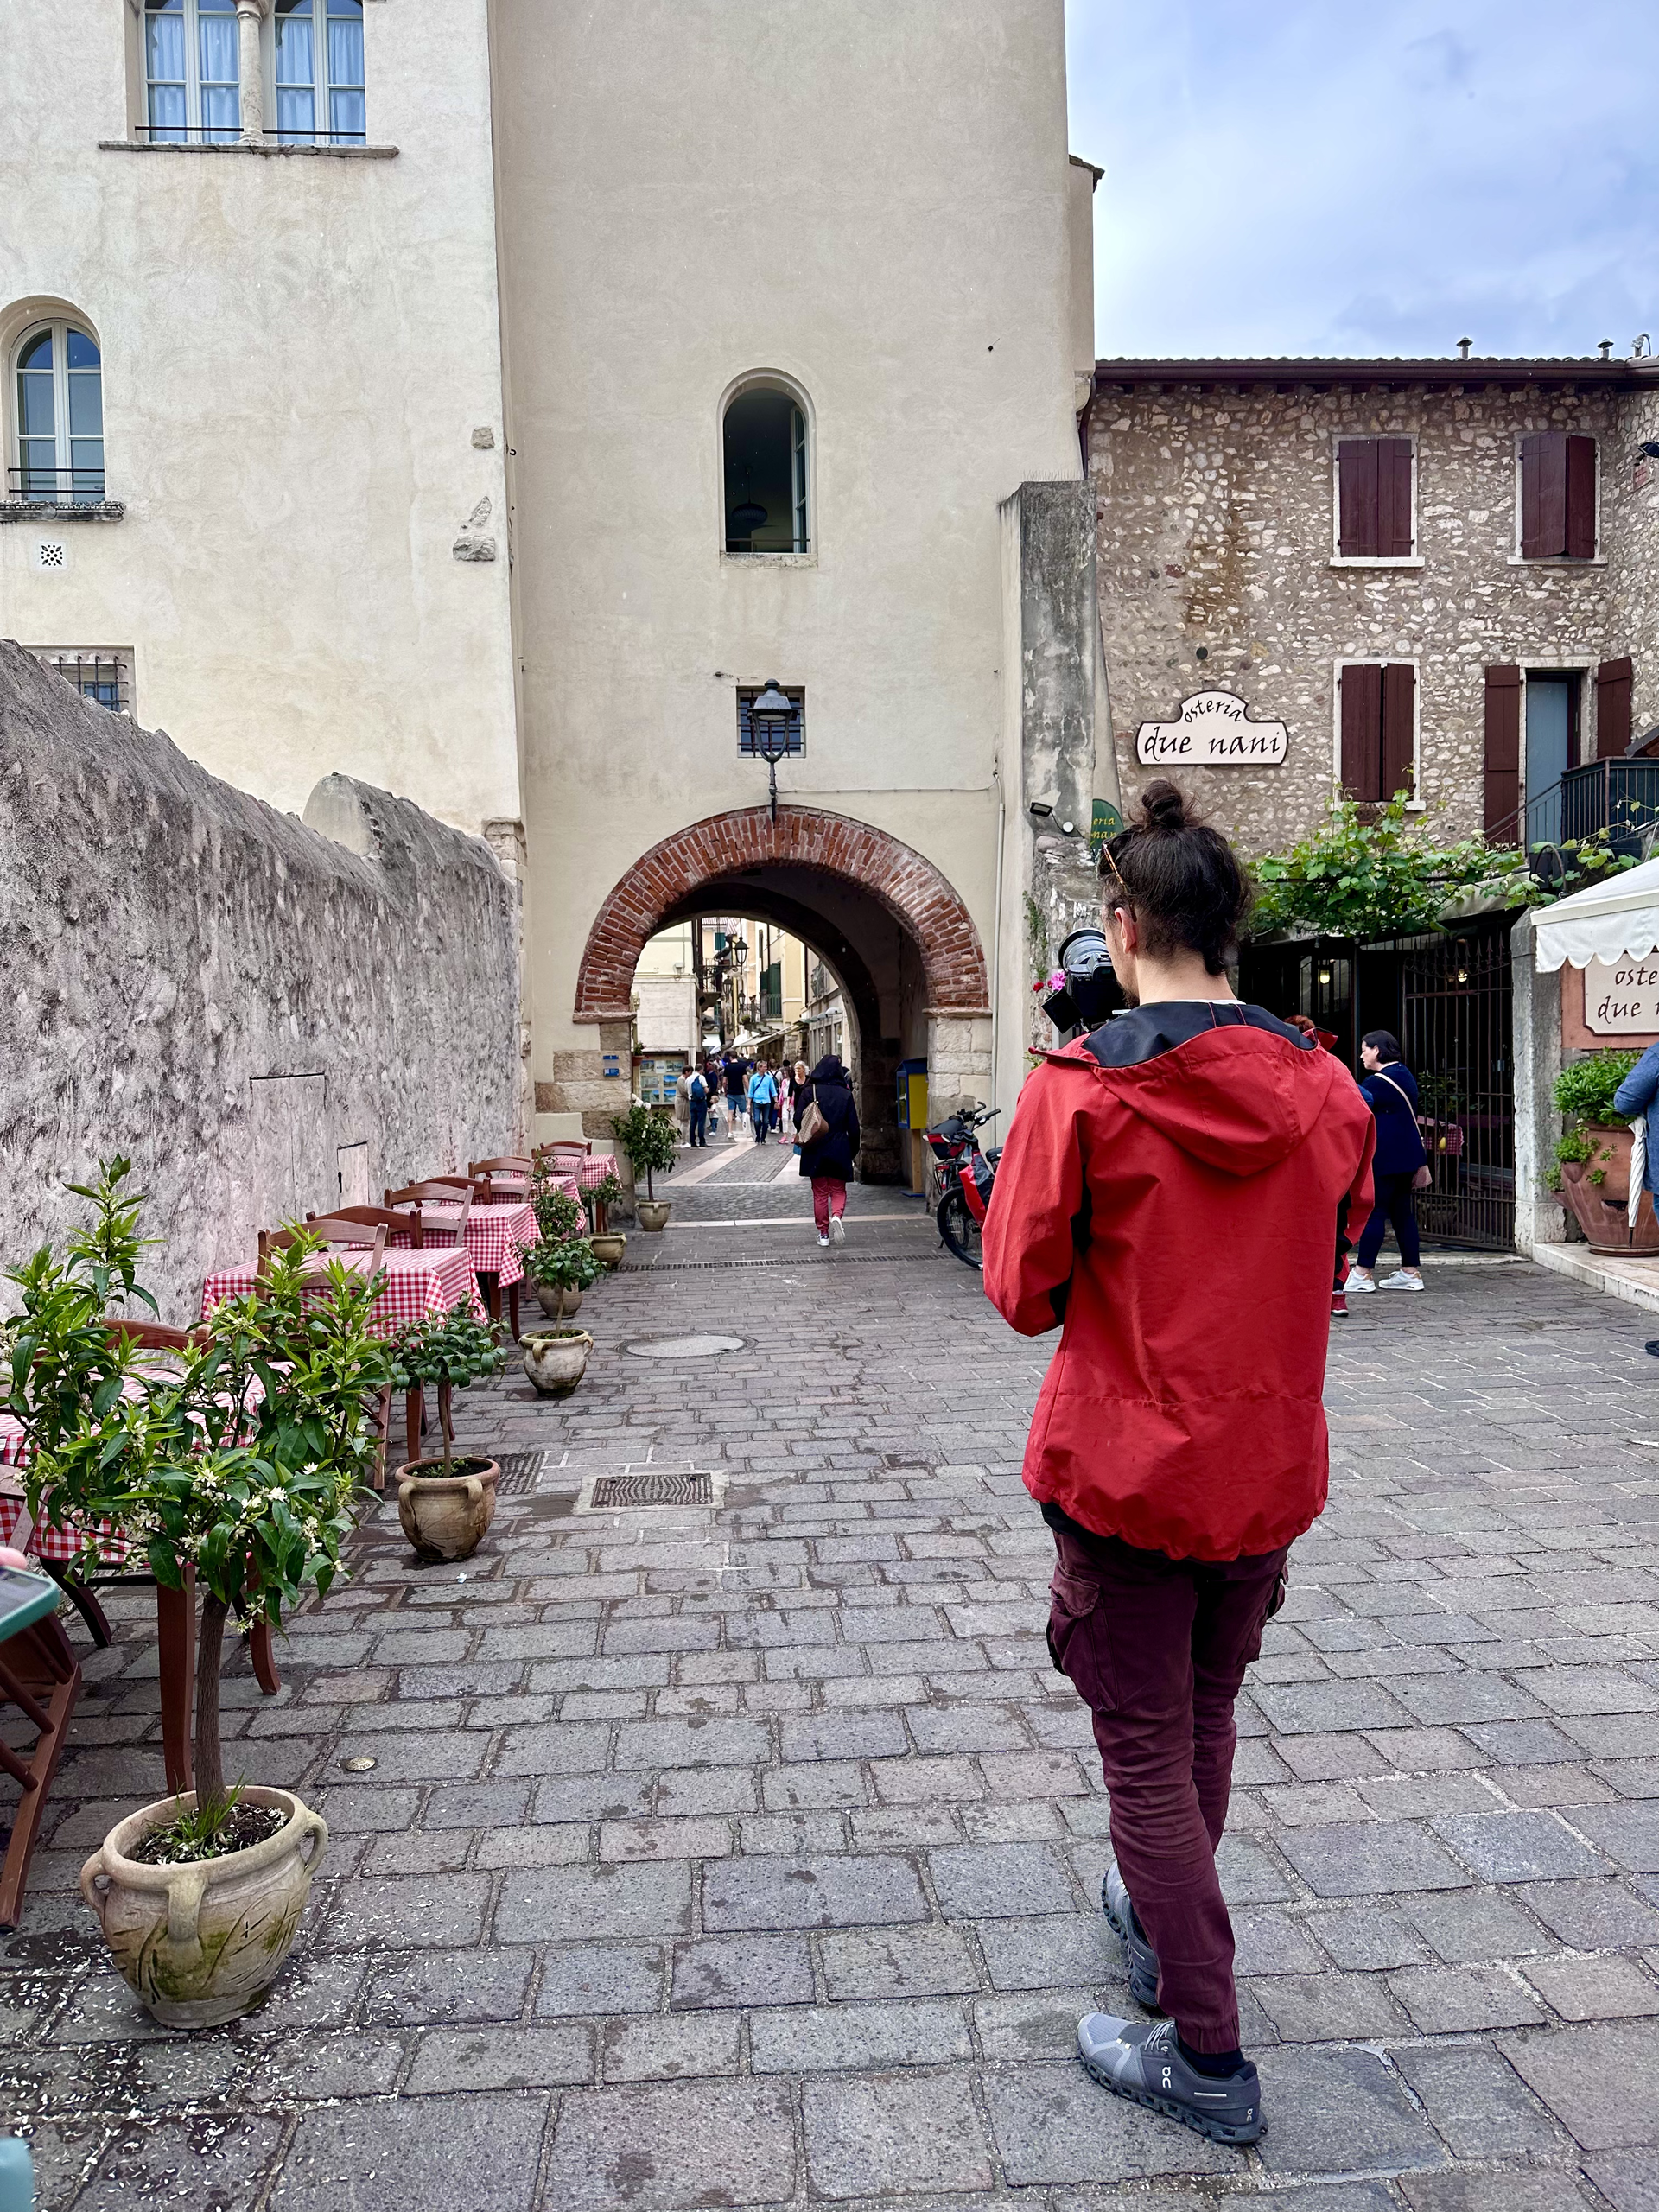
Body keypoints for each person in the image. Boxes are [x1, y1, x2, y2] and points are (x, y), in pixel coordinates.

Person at [982, 779, 1373, 2147]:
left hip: (1130, 1472)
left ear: (1120, 926)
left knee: (1144, 1752)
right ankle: (1161, 1929)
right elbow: (1336, 1251)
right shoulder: (1328, 1090)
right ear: (1228, 929)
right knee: (1201, 1721)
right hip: (1262, 1471)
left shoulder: (1082, 1092)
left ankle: (1206, 2053)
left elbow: (1023, 1292)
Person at [1347, 1030, 1427, 1293]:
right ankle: (1410, 1272)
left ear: (1377, 1051)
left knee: (1375, 1211)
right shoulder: (1405, 1074)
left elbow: (1353, 1106)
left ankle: (1362, 1273)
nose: (1362, 1055)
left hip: (1385, 1157)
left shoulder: (1377, 1083)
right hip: (1409, 1157)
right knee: (1402, 1213)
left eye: (1365, 1049)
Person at [798, 1053, 860, 1247]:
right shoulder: (845, 1094)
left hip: (815, 1148)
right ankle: (837, 1216)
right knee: (838, 1190)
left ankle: (823, 1234)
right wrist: (853, 1151)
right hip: (840, 1147)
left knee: (820, 1192)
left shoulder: (810, 1091)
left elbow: (797, 1119)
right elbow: (854, 1127)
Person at [747, 1060, 778, 1141]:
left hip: (766, 1102)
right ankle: (758, 1135)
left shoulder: (769, 1078)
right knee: (757, 1120)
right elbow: (750, 1092)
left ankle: (763, 1138)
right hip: (756, 1102)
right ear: (759, 1068)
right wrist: (748, 1104)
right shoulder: (753, 1078)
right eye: (764, 1067)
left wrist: (776, 1101)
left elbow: (773, 1091)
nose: (766, 1068)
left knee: (765, 1122)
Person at [723, 1054, 747, 1137]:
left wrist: (725, 1090)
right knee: (744, 1112)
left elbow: (724, 1081)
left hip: (731, 1092)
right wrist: (748, 1091)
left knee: (730, 1111)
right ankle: (746, 1130)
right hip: (740, 1092)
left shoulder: (727, 1067)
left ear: (730, 1057)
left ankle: (730, 1132)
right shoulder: (742, 1066)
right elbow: (745, 1080)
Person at [687, 1064, 709, 1147]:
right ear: (701, 1070)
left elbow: (687, 1091)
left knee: (693, 1122)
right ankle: (702, 1141)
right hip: (700, 1102)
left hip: (692, 1102)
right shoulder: (701, 1077)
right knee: (701, 1122)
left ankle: (692, 1142)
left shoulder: (688, 1079)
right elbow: (706, 1090)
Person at [673, 1064, 693, 1146]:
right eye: (690, 1072)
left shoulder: (684, 1079)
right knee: (684, 1122)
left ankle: (683, 1140)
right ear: (686, 1072)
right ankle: (683, 1141)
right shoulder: (681, 1080)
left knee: (684, 1122)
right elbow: (684, 1092)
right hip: (682, 1102)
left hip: (683, 1101)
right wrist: (691, 1097)